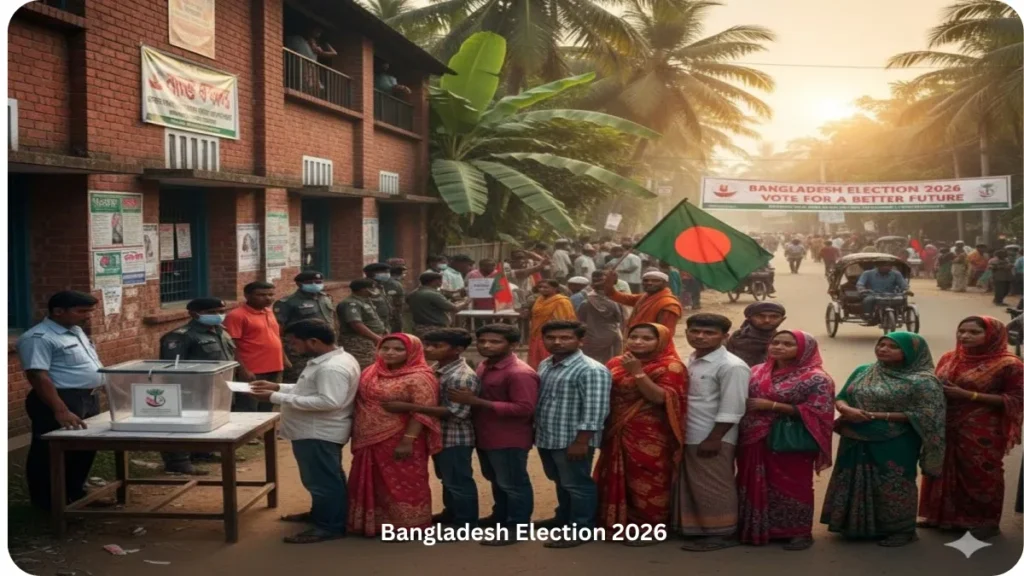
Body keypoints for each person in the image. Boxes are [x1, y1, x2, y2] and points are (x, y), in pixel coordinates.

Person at [820, 332, 945, 547]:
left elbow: (927, 414)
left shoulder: (924, 381)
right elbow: (841, 396)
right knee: (853, 477)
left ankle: (901, 530)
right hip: (855, 435)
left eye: (892, 347)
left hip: (896, 440)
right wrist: (846, 409)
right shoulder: (864, 370)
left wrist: (878, 416)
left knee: (893, 482)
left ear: (911, 352)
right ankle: (855, 525)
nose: (883, 349)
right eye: (881, 344)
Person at [248, 319, 359, 543]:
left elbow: (328, 401)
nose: (291, 347)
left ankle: (329, 526)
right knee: (325, 478)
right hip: (313, 431)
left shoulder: (332, 367)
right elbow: (310, 389)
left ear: (314, 342)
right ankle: (323, 515)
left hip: (318, 433)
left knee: (322, 481)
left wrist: (275, 397)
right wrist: (277, 387)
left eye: (293, 343)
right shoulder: (328, 360)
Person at [918, 317, 1023, 540]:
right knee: (943, 467)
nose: (965, 336)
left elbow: (1017, 398)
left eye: (974, 332)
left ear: (992, 335)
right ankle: (942, 516)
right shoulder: (950, 357)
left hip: (983, 428)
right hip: (947, 423)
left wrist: (969, 396)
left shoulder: (1009, 364)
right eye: (962, 331)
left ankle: (986, 521)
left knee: (981, 472)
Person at [737, 331, 835, 550]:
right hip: (754, 439)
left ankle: (798, 532)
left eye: (788, 344)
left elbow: (822, 411)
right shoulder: (756, 371)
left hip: (790, 442)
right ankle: (757, 527)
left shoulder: (816, 378)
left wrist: (772, 406)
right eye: (776, 342)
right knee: (753, 482)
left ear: (804, 349)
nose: (779, 347)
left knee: (792, 485)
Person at [595, 324, 687, 544]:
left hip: (650, 434)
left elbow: (660, 398)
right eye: (633, 337)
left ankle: (652, 529)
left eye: (647, 338)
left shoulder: (671, 366)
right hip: (617, 430)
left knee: (648, 480)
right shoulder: (616, 363)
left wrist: (637, 372)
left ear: (661, 341)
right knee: (617, 476)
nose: (638, 342)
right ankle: (617, 524)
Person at [448, 324, 539, 545]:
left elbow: (524, 408)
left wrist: (476, 402)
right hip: (486, 436)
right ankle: (500, 518)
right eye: (482, 341)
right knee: (498, 481)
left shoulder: (519, 373)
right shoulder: (485, 366)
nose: (486, 345)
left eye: (495, 341)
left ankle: (517, 527)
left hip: (508, 438)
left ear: (513, 344)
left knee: (513, 484)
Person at [382, 328, 481, 528]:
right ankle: (451, 514)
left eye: (437, 346)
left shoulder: (460, 376)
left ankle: (465, 524)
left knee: (458, 481)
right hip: (441, 435)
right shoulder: (438, 368)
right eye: (427, 344)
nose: (428, 349)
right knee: (447, 479)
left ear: (458, 350)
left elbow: (456, 412)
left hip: (454, 437)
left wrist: (410, 407)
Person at [347, 334, 442, 537]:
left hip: (402, 438)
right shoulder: (371, 371)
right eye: (385, 347)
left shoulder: (421, 377)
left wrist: (407, 441)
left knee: (403, 482)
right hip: (369, 440)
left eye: (399, 349)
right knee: (373, 481)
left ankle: (408, 527)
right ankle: (374, 524)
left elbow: (423, 411)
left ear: (413, 352)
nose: (390, 352)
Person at [17, 291, 104, 510]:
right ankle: (49, 503)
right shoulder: (39, 337)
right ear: (58, 311)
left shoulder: (75, 331)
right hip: (60, 399)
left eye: (89, 311)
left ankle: (76, 494)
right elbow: (38, 376)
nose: (87, 316)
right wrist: (60, 409)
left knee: (84, 447)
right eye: (81, 311)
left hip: (87, 397)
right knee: (51, 452)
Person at [675, 314, 751, 551]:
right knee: (695, 484)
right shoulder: (693, 359)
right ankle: (697, 529)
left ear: (725, 336)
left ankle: (723, 533)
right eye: (695, 331)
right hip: (690, 433)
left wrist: (715, 437)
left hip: (712, 437)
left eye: (709, 333)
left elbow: (734, 406)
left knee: (714, 484)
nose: (700, 337)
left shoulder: (732, 366)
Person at [534, 321, 612, 548]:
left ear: (580, 341)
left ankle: (581, 529)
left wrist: (581, 441)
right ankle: (564, 518)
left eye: (565, 337)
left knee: (578, 484)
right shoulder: (546, 364)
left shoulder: (591, 369)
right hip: (549, 436)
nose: (557, 342)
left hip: (573, 440)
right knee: (561, 481)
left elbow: (596, 409)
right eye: (551, 337)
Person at [158, 298, 236, 475]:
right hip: (190, 388)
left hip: (217, 385)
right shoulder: (180, 336)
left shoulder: (220, 331)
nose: (218, 315)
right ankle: (178, 462)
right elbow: (172, 367)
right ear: (194, 314)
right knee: (183, 423)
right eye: (212, 312)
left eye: (220, 311)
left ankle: (202, 452)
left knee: (208, 420)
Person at [224, 282, 289, 413]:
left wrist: (284, 359)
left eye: (271, 295)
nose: (268, 298)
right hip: (253, 370)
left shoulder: (268, 312)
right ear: (247, 295)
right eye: (261, 295)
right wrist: (243, 370)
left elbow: (275, 337)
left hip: (274, 367)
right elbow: (232, 345)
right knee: (249, 408)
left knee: (268, 405)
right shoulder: (237, 315)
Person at [275, 270, 336, 383]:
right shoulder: (287, 302)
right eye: (310, 282)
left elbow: (332, 320)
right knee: (299, 382)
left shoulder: (326, 297)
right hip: (301, 350)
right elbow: (278, 331)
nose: (315, 285)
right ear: (299, 284)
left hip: (324, 347)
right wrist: (283, 356)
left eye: (318, 281)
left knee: (323, 380)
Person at [603, 269, 684, 336]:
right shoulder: (644, 297)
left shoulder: (669, 304)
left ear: (665, 284)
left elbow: (665, 333)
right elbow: (616, 296)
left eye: (655, 281)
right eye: (646, 280)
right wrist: (609, 282)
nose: (649, 283)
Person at [337, 279, 388, 369]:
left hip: (370, 340)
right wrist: (376, 338)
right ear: (362, 290)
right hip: (358, 342)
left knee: (374, 365)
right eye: (370, 289)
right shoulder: (351, 303)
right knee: (364, 367)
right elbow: (356, 324)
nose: (372, 292)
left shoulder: (365, 301)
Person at [576, 270, 624, 363]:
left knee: (590, 361)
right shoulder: (616, 300)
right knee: (610, 361)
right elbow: (620, 318)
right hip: (610, 334)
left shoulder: (585, 300)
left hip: (591, 337)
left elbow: (580, 320)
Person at [527, 280, 577, 368]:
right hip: (537, 335)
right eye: (540, 287)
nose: (542, 289)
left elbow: (565, 320)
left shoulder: (562, 301)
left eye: (545, 287)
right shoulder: (539, 299)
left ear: (555, 288)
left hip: (553, 336)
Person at [726, 302, 787, 367]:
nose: (767, 320)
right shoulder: (735, 339)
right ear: (749, 318)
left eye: (774, 316)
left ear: (782, 319)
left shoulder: (788, 343)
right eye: (760, 316)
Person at [406, 272, 465, 337]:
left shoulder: (413, 294)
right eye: (440, 280)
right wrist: (467, 302)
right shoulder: (433, 294)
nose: (441, 282)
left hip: (418, 328)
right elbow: (454, 308)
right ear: (436, 281)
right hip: (435, 329)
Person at [362, 262, 394, 327]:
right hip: (372, 324)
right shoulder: (366, 287)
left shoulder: (380, 285)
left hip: (383, 322)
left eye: (388, 272)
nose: (387, 274)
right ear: (373, 274)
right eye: (384, 272)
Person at [385, 260, 408, 333]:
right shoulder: (393, 283)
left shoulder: (395, 282)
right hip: (393, 315)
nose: (405, 274)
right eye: (403, 272)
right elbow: (393, 301)